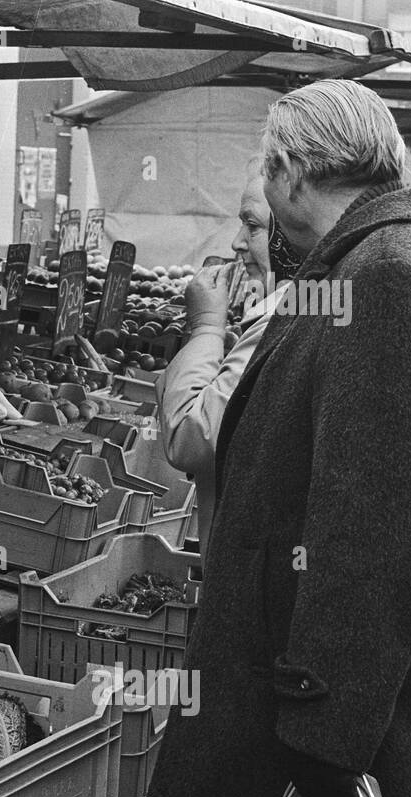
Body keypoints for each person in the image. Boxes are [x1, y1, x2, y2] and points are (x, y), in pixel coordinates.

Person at [142, 79, 411, 797]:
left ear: (293, 173)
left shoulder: (392, 278)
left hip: (349, 759)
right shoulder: (400, 257)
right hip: (357, 735)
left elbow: (376, 542)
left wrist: (323, 767)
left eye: (266, 174)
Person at [155, 159, 301, 549]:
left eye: (252, 226)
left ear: (294, 233)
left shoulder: (283, 320)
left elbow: (189, 438)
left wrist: (205, 325)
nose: (237, 242)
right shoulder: (307, 304)